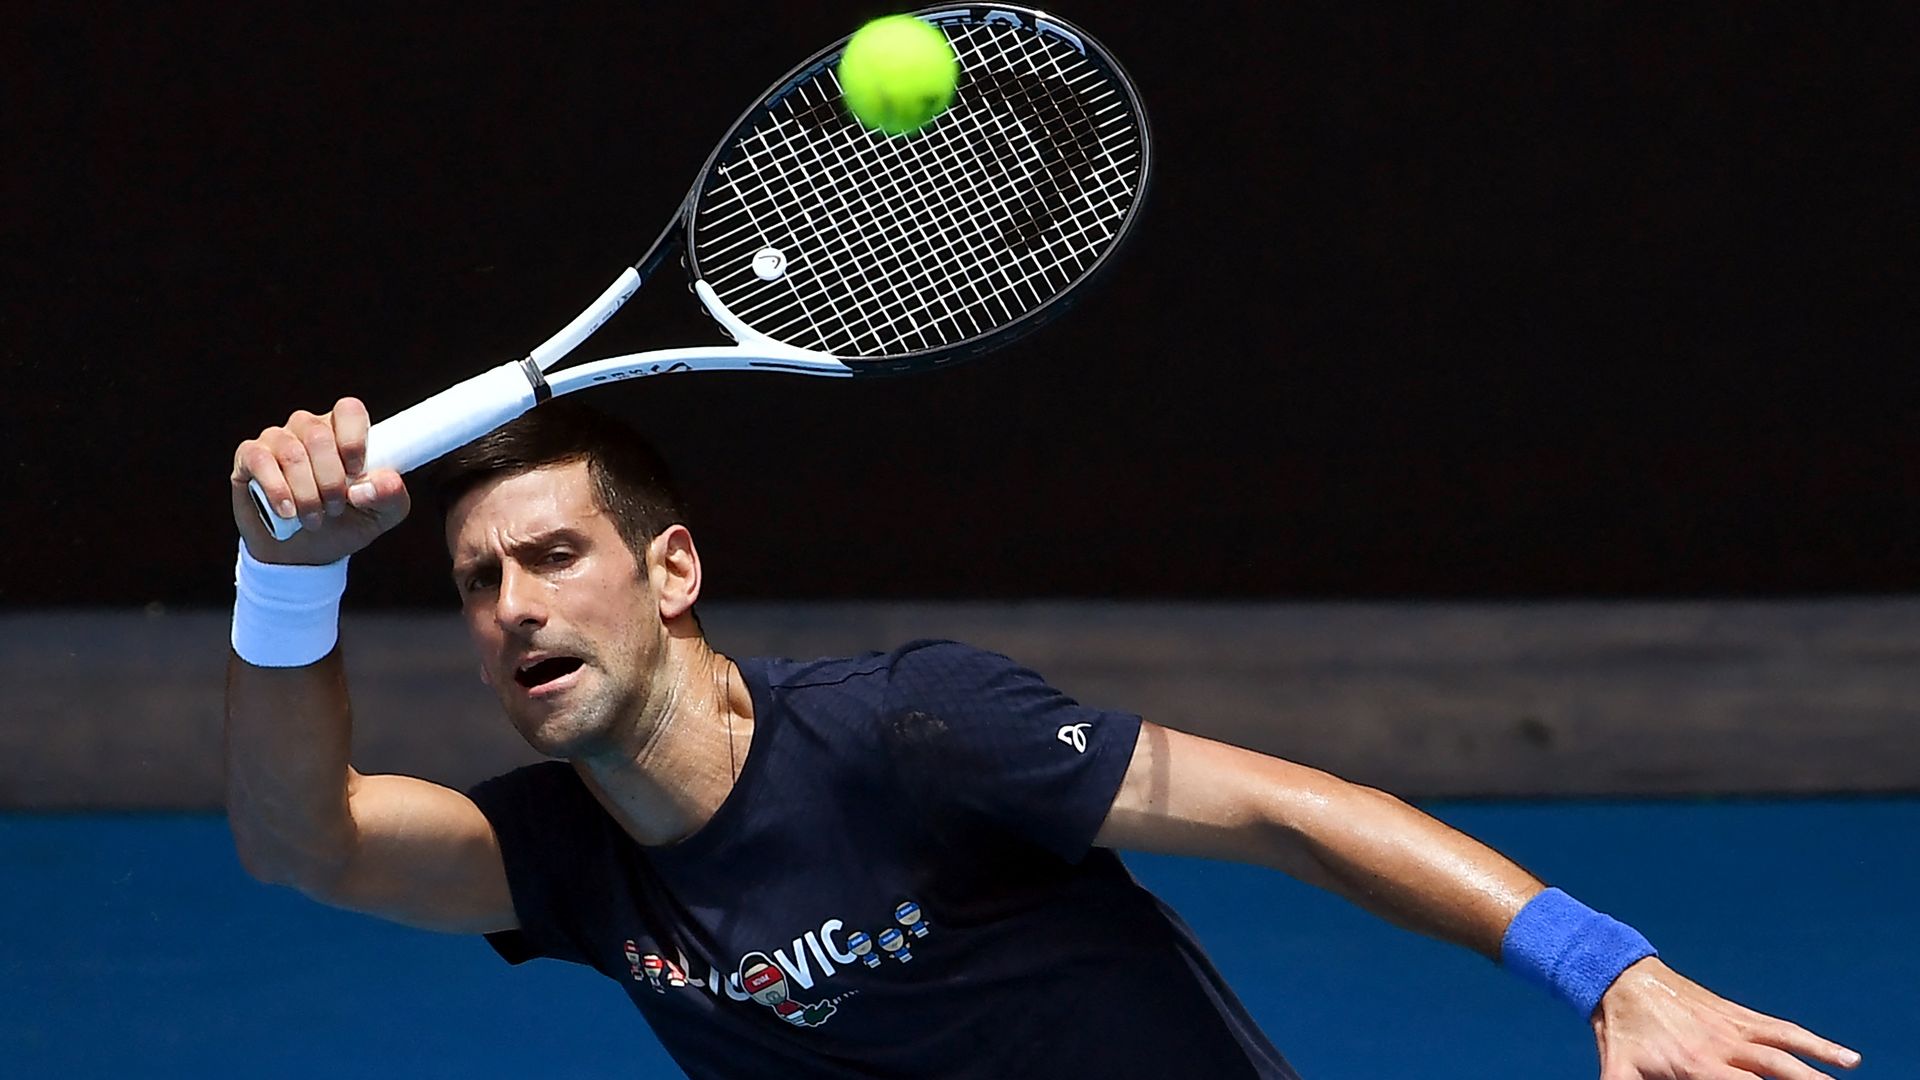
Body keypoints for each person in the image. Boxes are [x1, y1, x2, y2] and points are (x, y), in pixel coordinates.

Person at [226, 396, 1863, 1080]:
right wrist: (279, 585)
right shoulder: (569, 862)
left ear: (673, 572)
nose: (510, 604)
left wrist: (1615, 974)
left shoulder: (917, 731)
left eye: (554, 555)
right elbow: (309, 844)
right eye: (473, 580)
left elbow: (1293, 813)